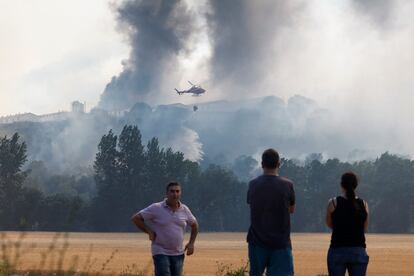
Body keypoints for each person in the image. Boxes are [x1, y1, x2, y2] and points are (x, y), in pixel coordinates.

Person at [131, 182, 198, 276]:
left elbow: (195, 225)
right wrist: (149, 231)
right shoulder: (156, 208)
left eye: (177, 191)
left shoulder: (185, 209)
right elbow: (136, 218)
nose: (175, 194)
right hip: (160, 251)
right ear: (167, 193)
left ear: (180, 193)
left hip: (178, 253)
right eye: (172, 191)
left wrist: (191, 243)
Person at [247, 148, 296, 276]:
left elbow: (251, 204)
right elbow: (291, 209)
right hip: (281, 243)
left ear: (262, 164)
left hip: (257, 241)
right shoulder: (288, 185)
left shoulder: (253, 185)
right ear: (279, 164)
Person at [326, 172, 369, 276]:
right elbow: (365, 228)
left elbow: (329, 224)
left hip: (337, 250)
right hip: (358, 250)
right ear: (356, 185)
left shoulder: (333, 203)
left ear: (341, 185)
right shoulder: (364, 204)